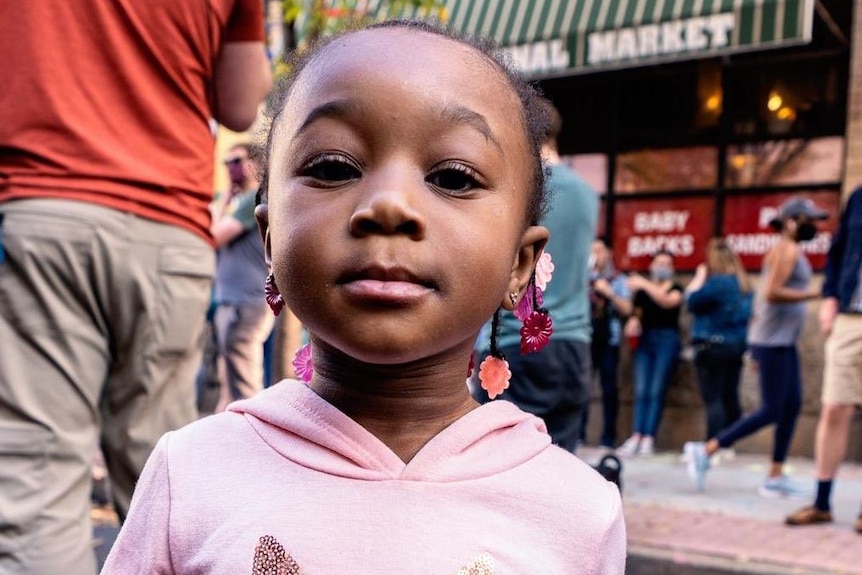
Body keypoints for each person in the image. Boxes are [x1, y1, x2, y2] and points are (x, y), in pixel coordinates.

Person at [101, 20, 626, 573]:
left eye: (453, 177)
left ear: (519, 265)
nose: (389, 205)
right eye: (333, 167)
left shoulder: (579, 513)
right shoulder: (190, 474)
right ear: (270, 240)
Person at [0, 1, 271, 573]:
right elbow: (242, 101)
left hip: (46, 207)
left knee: (40, 474)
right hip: (170, 226)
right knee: (161, 473)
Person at [685, 197, 827, 496]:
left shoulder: (791, 250)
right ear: (791, 221)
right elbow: (773, 292)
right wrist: (815, 294)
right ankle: (706, 451)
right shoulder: (786, 250)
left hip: (783, 342)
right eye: (809, 220)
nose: (815, 225)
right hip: (771, 341)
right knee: (772, 409)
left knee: (791, 407)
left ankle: (775, 476)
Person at [480, 97, 597, 454]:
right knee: (558, 470)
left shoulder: (522, 190)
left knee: (504, 470)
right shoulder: (587, 194)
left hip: (520, 343)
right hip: (575, 344)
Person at [786, 188, 862, 533]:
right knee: (834, 408)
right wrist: (830, 296)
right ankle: (821, 502)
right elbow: (839, 249)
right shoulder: (859, 196)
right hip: (850, 314)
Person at [211, 142, 275, 412]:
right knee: (229, 380)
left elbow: (211, 236)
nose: (230, 169)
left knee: (245, 383)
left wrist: (224, 201)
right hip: (231, 300)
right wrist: (225, 199)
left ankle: (258, 439)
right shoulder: (236, 202)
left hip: (246, 302)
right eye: (226, 163)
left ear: (254, 163)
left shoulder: (253, 198)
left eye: (236, 161)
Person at [685, 238, 753, 442]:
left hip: (713, 346)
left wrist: (699, 277)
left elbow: (691, 301)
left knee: (714, 398)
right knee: (730, 395)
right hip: (736, 346)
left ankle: (714, 444)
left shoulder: (717, 282)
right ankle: (729, 442)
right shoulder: (743, 284)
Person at [617, 250, 684, 457]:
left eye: (666, 263)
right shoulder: (641, 292)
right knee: (642, 389)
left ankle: (648, 438)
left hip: (667, 339)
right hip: (645, 340)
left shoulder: (675, 287)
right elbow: (635, 313)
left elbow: (668, 301)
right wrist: (633, 322)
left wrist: (643, 283)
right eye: (659, 262)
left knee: (656, 389)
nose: (662, 266)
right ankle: (636, 435)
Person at [584, 238, 632, 449]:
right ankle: (579, 434)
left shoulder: (618, 280)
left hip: (608, 340)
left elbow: (627, 309)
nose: (596, 255)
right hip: (586, 338)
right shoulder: (582, 279)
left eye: (599, 251)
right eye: (591, 251)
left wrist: (609, 293)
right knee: (582, 387)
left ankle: (609, 437)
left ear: (608, 253)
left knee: (610, 388)